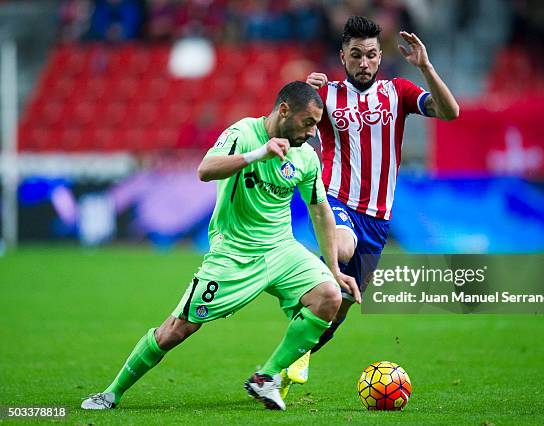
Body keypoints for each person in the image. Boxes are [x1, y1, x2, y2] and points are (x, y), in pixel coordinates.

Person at [81, 81, 359, 412]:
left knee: (329, 295)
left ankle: (266, 377)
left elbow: (320, 209)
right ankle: (111, 393)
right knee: (177, 330)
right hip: (234, 255)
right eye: (308, 122)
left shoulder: (306, 157)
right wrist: (259, 153)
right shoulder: (243, 133)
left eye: (317, 124)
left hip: (282, 249)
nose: (313, 132)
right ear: (284, 110)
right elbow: (205, 170)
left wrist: (334, 269)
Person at [281, 16, 459, 395]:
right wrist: (302, 93)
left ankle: (296, 352)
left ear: (381, 57)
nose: (365, 62)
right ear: (342, 56)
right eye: (356, 54)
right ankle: (296, 284)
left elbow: (450, 112)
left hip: (377, 217)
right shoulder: (325, 95)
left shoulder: (399, 91)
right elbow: (284, 124)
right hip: (335, 198)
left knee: (344, 303)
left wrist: (425, 66)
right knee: (342, 248)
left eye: (372, 55)